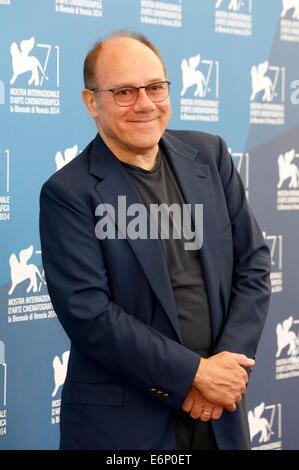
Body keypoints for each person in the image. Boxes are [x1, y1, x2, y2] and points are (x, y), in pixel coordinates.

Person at [39, 30, 271, 450]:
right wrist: (195, 376)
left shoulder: (211, 156)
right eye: (125, 92)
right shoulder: (68, 192)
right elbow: (90, 315)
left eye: (155, 87)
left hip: (220, 417)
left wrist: (226, 372)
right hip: (126, 427)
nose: (145, 103)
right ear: (93, 101)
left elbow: (253, 266)